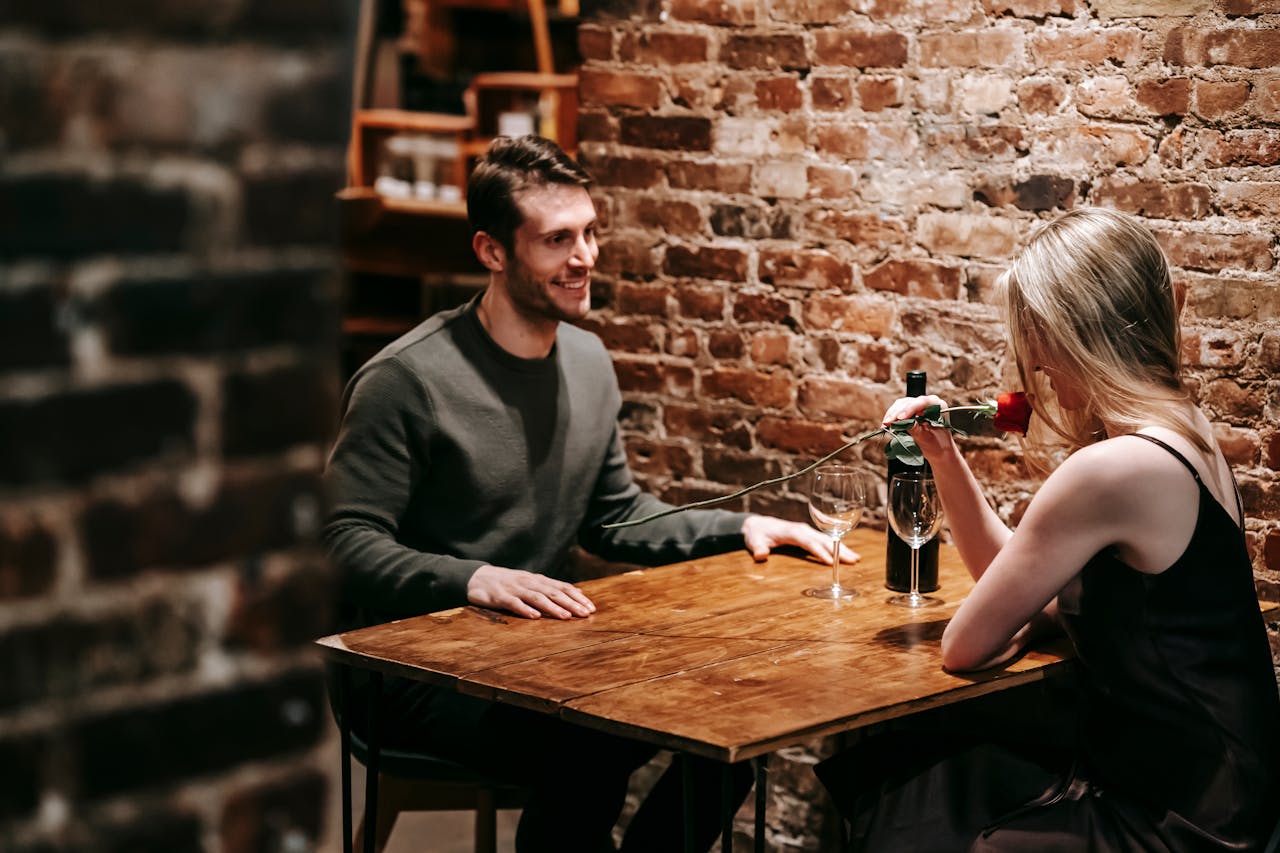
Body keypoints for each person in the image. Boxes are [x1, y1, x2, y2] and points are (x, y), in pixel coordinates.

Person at [323, 134, 851, 853]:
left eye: (591, 232)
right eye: (558, 239)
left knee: (729, 724)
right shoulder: (405, 380)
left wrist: (745, 526)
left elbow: (615, 516)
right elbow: (343, 543)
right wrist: (474, 578)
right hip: (414, 674)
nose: (585, 257)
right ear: (492, 252)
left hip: (538, 652)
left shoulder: (587, 357)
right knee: (588, 741)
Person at [816, 208, 1280, 851]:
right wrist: (943, 454)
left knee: (913, 789)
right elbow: (1013, 579)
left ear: (1076, 334)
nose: (1033, 364)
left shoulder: (1111, 469)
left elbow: (963, 646)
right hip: (1230, 783)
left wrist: (1034, 617)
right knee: (930, 766)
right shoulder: (1183, 429)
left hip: (1181, 817)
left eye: (1035, 337)